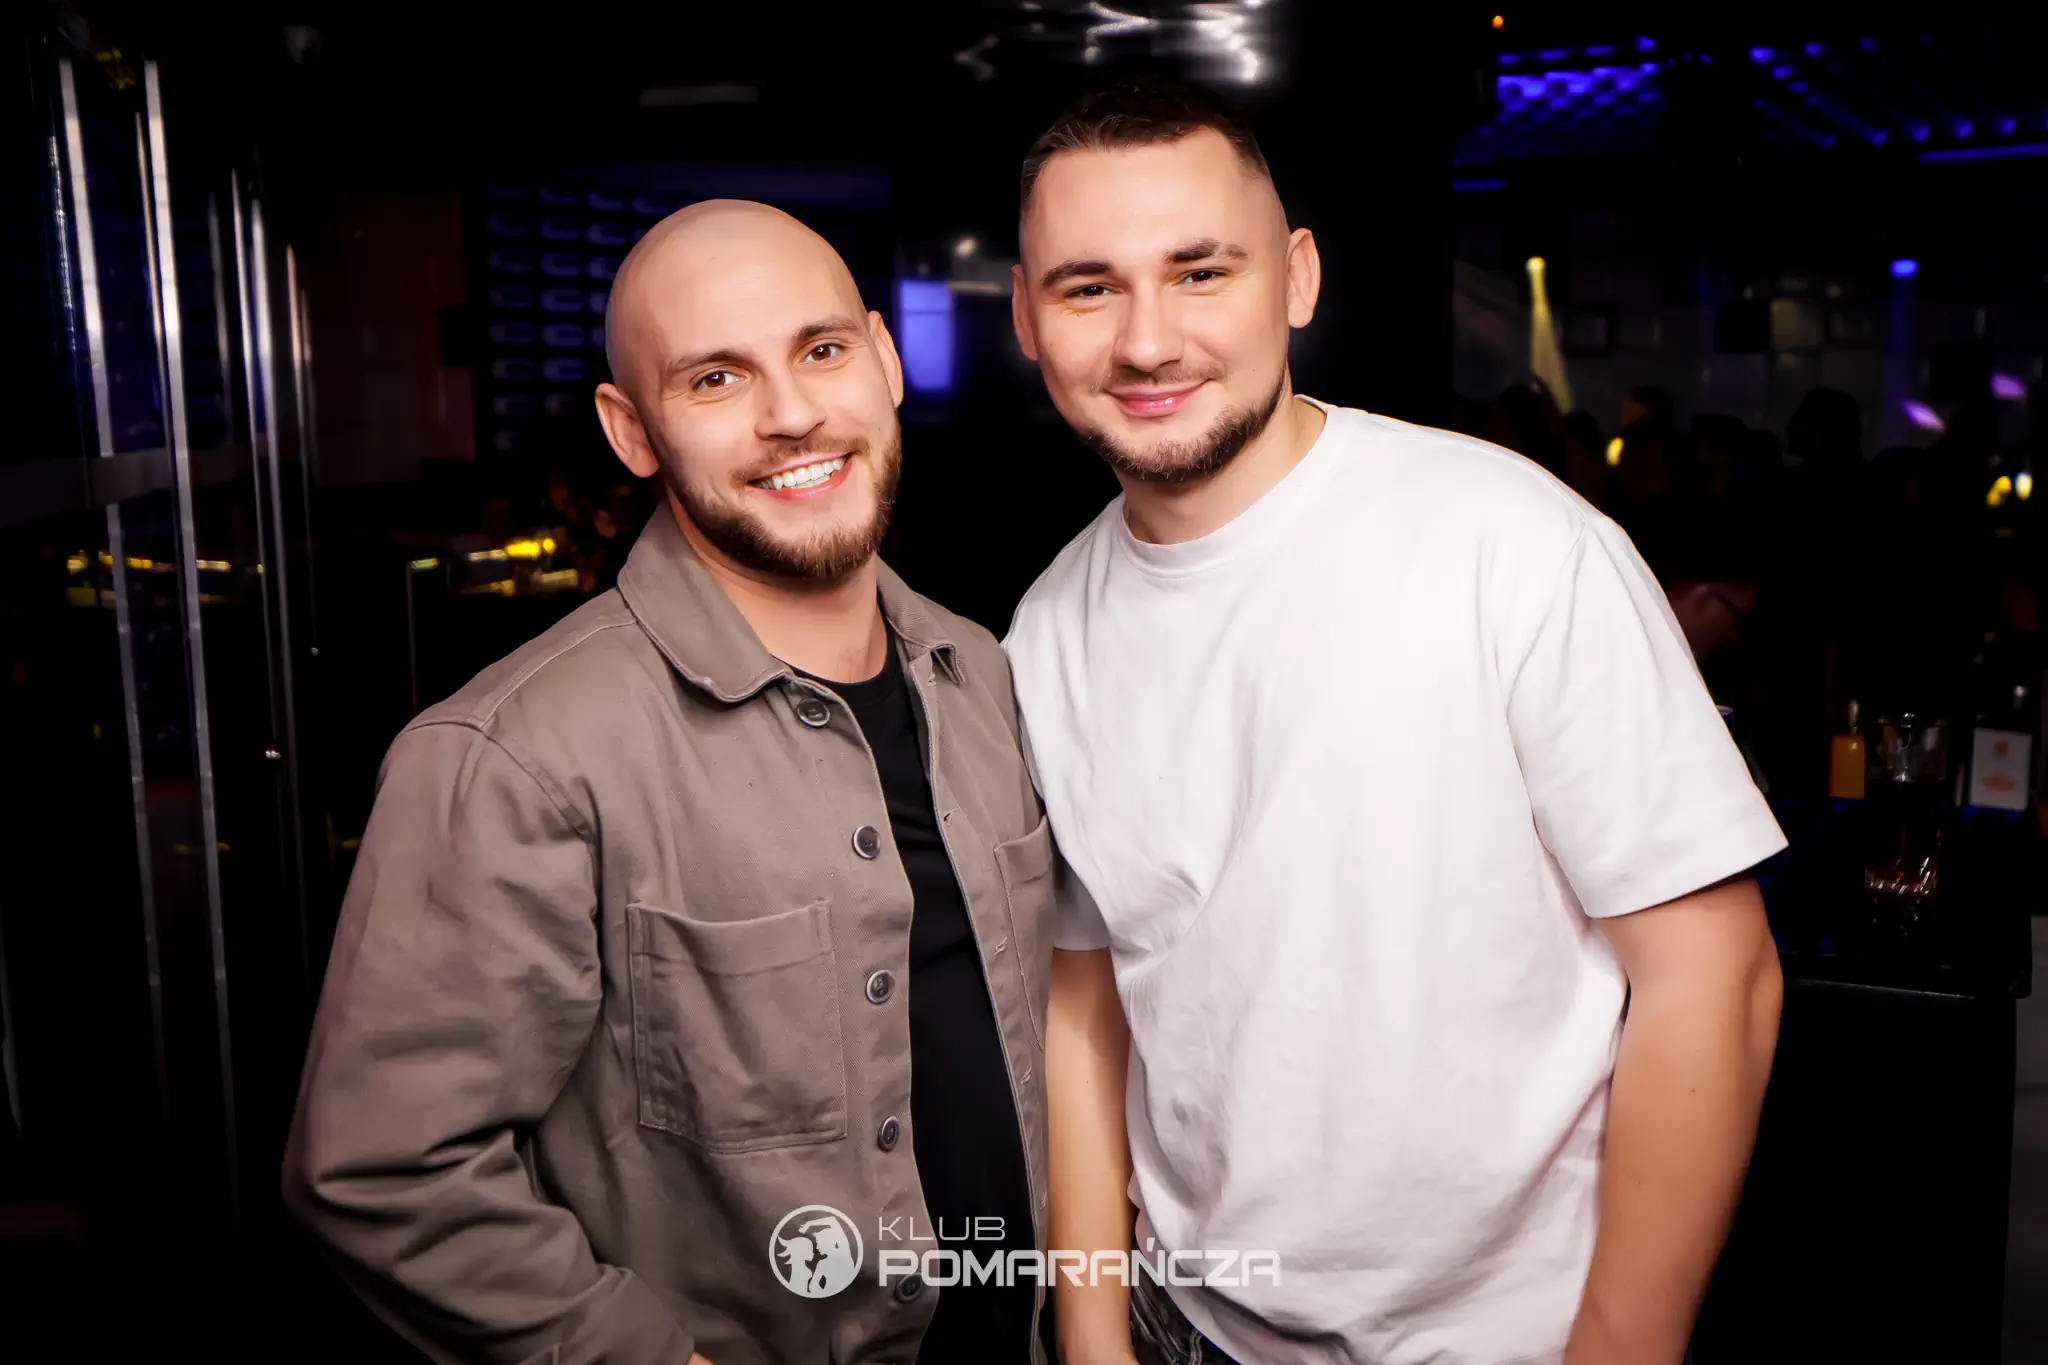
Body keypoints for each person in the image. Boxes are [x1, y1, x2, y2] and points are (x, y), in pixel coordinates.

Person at [1003, 78, 1787, 1365]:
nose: (1147, 341)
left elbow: (1713, 976)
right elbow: (1082, 1008)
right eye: (1088, 288)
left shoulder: (1508, 542)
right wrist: (1091, 1341)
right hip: (1185, 1325)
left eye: (1199, 272)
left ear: (1296, 279)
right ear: (1028, 319)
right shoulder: (1043, 635)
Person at [285, 200, 1055, 1365]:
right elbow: (383, 1170)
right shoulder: (514, 755)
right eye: (715, 379)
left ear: (885, 361)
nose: (791, 413)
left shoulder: (982, 672)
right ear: (631, 430)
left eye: (821, 351)